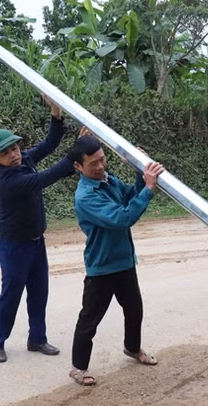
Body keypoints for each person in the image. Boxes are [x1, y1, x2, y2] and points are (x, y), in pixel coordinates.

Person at [0, 95, 81, 363]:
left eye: (14, 148)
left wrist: (55, 112)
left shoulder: (24, 159)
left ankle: (37, 339)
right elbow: (44, 178)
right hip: (14, 246)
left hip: (36, 241)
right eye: (6, 153)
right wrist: (77, 152)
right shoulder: (7, 180)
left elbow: (50, 143)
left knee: (39, 292)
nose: (14, 155)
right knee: (11, 295)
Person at [67, 136, 164, 386]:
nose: (100, 167)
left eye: (102, 160)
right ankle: (78, 367)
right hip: (102, 267)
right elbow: (123, 217)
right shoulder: (85, 197)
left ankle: (132, 348)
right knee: (90, 318)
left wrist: (137, 169)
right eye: (93, 164)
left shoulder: (108, 181)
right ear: (79, 167)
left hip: (124, 261)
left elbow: (131, 195)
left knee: (134, 310)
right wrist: (149, 189)